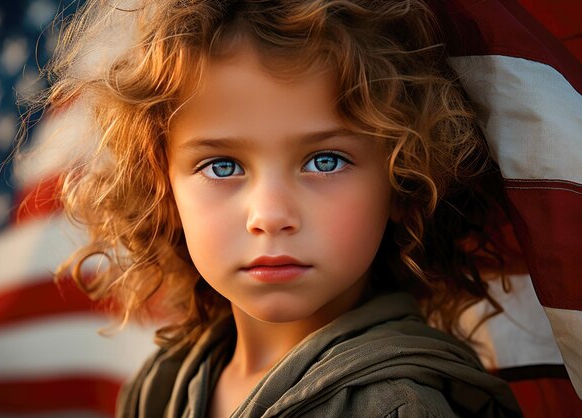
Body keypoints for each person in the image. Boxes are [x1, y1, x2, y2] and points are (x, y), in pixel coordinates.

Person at [38, 0, 524, 416]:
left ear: (404, 180)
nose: (269, 215)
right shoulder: (160, 386)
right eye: (223, 166)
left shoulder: (397, 406)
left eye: (325, 160)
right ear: (162, 189)